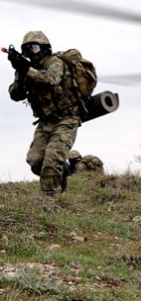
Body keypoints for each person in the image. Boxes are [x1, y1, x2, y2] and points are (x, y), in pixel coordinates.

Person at [7, 31, 81, 196]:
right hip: (45, 122)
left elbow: (50, 79)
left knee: (52, 160)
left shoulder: (54, 61)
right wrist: (19, 75)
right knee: (35, 162)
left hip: (66, 120)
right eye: (26, 50)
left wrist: (27, 69)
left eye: (33, 48)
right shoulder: (28, 69)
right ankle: (62, 174)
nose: (30, 53)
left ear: (44, 48)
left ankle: (50, 202)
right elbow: (15, 95)